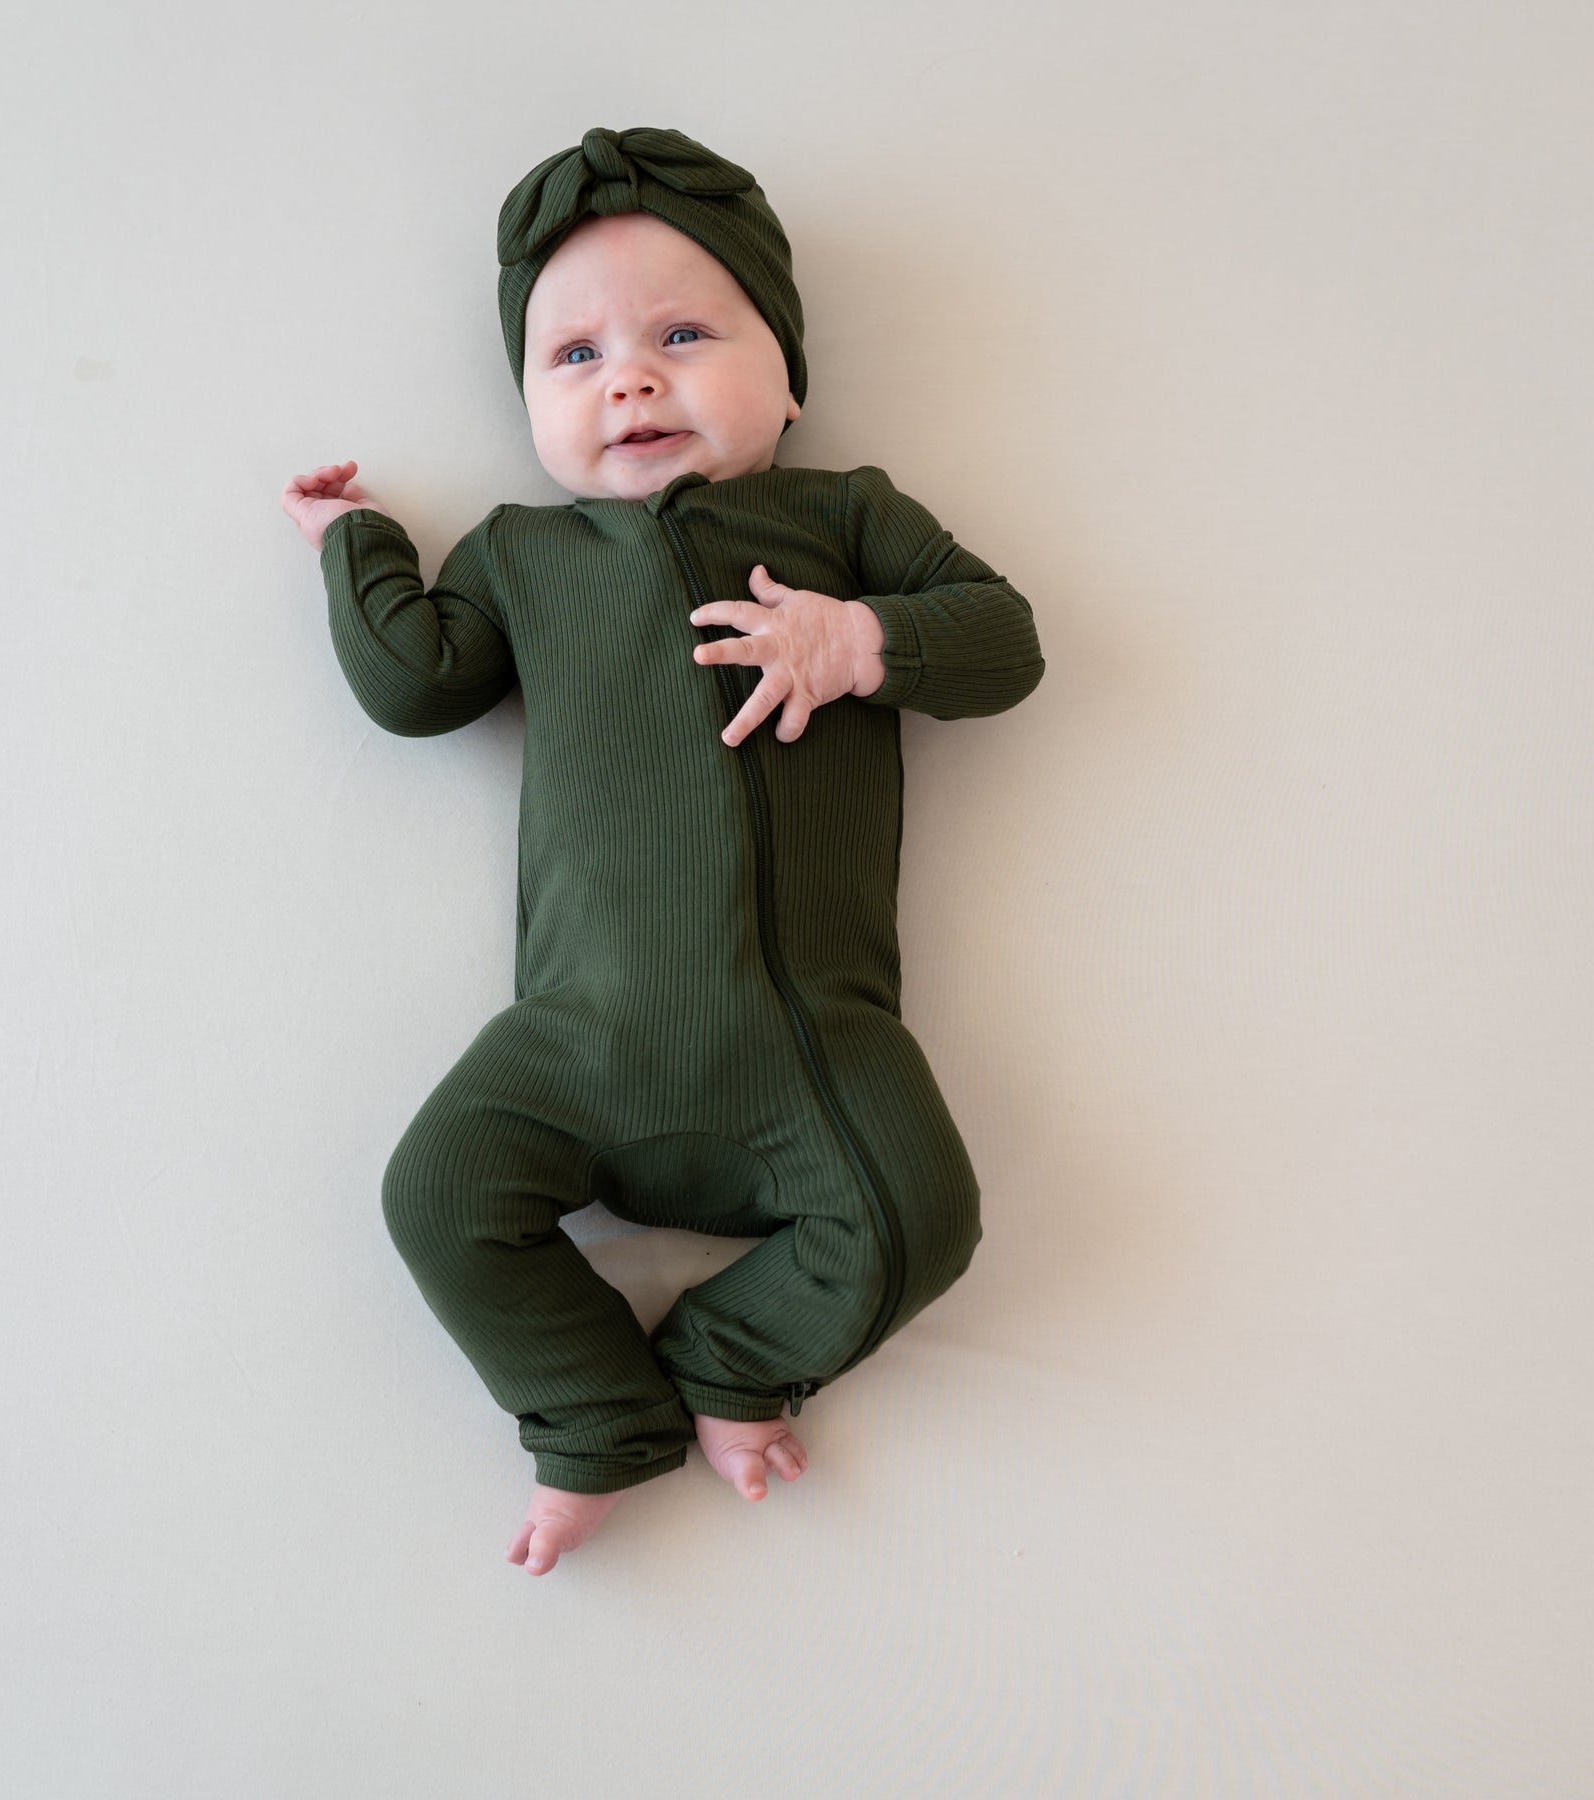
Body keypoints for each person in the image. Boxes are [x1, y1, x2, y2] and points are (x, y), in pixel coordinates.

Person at [280, 126, 1045, 1577]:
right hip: (575, 1043)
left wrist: (862, 636)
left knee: (922, 1218)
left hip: (811, 1045)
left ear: (789, 369)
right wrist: (360, 544)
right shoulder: (521, 557)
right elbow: (415, 689)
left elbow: (1005, 643)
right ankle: (588, 1418)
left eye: (684, 334)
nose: (630, 376)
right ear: (526, 402)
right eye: (573, 356)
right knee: (434, 1196)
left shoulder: (845, 517)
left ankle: (732, 1362)